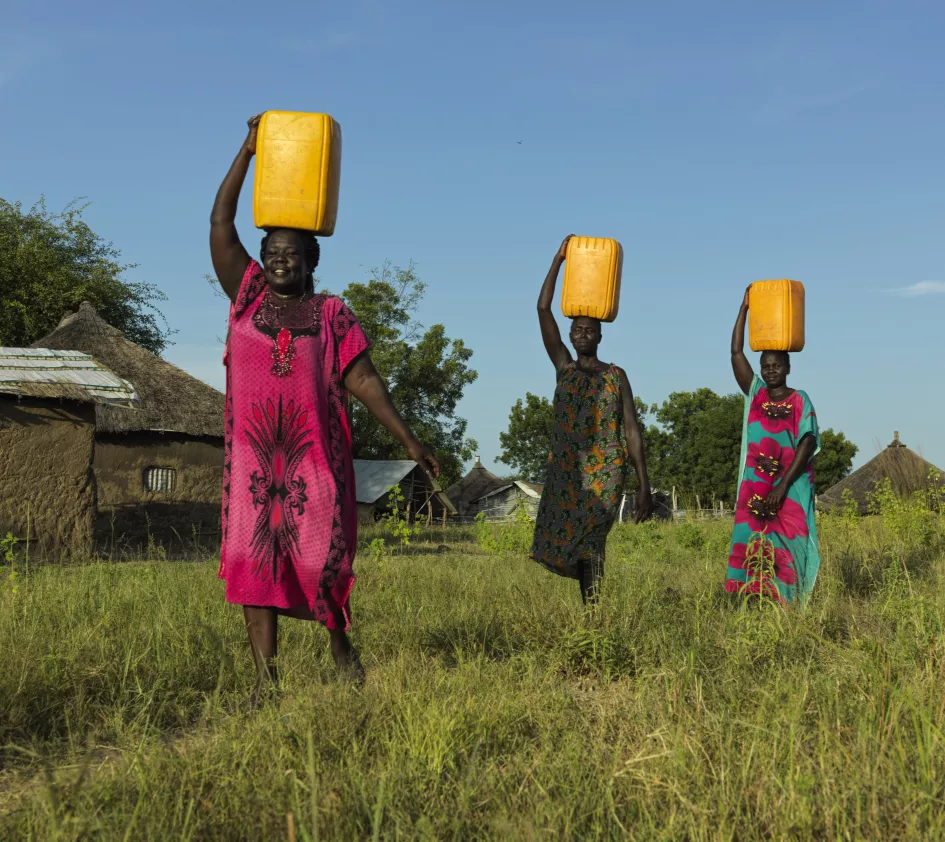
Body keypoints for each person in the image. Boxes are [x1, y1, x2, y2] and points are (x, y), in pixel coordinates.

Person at [210, 115, 439, 703]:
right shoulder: (247, 298)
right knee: (253, 567)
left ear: (312, 259)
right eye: (271, 253)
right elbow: (220, 222)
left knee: (322, 560)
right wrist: (248, 150)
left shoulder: (333, 314)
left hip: (315, 460)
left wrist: (409, 440)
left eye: (291, 253)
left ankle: (339, 640)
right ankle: (266, 680)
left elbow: (364, 381)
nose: (279, 261)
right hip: (253, 462)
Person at [530, 235, 653, 604]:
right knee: (563, 541)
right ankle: (590, 604)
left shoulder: (617, 376)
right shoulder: (563, 368)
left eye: (590, 331)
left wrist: (644, 484)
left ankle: (594, 612)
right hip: (567, 470)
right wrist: (559, 259)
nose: (583, 335)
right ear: (571, 334)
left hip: (607, 472)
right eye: (577, 330)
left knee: (594, 539)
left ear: (600, 335)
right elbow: (542, 309)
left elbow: (631, 429)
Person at [727, 286, 821, 605]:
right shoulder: (756, 394)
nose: (770, 370)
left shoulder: (799, 400)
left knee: (788, 548)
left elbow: (808, 442)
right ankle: (754, 604)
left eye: (776, 365)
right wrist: (744, 309)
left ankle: (789, 608)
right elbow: (736, 353)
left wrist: (782, 485)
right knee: (753, 546)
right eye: (766, 366)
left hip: (789, 489)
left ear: (788, 367)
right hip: (755, 490)